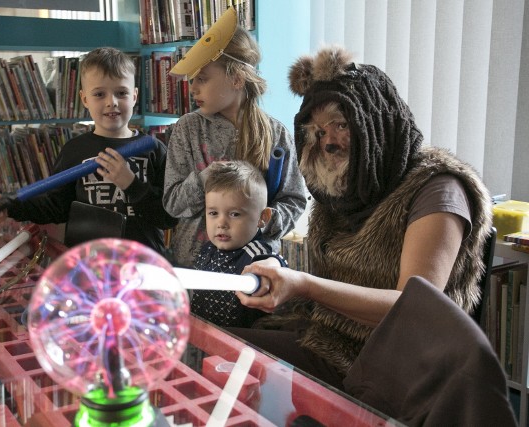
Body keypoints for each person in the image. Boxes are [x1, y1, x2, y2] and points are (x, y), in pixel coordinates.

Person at [231, 45, 493, 391]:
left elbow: (412, 307)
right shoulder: (342, 189)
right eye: (319, 132)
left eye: (340, 124)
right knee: (225, 352)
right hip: (326, 342)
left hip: (401, 369)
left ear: (375, 122)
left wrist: (304, 286)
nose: (328, 143)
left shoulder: (438, 190)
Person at [0, 47, 177, 254]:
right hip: (87, 264)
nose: (112, 102)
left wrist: (131, 184)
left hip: (142, 265)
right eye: (99, 94)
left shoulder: (154, 149)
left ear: (135, 96)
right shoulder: (74, 150)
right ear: (85, 99)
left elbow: (168, 217)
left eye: (121, 93)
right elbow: (55, 207)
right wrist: (11, 207)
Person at [163, 8, 307, 268]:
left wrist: (266, 219)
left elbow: (293, 199)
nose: (193, 87)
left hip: (253, 268)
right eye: (193, 79)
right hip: (194, 267)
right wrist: (204, 178)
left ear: (237, 79)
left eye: (203, 79)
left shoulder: (276, 133)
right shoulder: (188, 128)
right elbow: (173, 204)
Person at [191, 160, 286, 328]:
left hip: (242, 346)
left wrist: (276, 263)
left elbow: (278, 267)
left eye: (234, 214)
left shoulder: (255, 254)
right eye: (213, 213)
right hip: (204, 337)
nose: (221, 223)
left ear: (262, 218)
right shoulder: (207, 250)